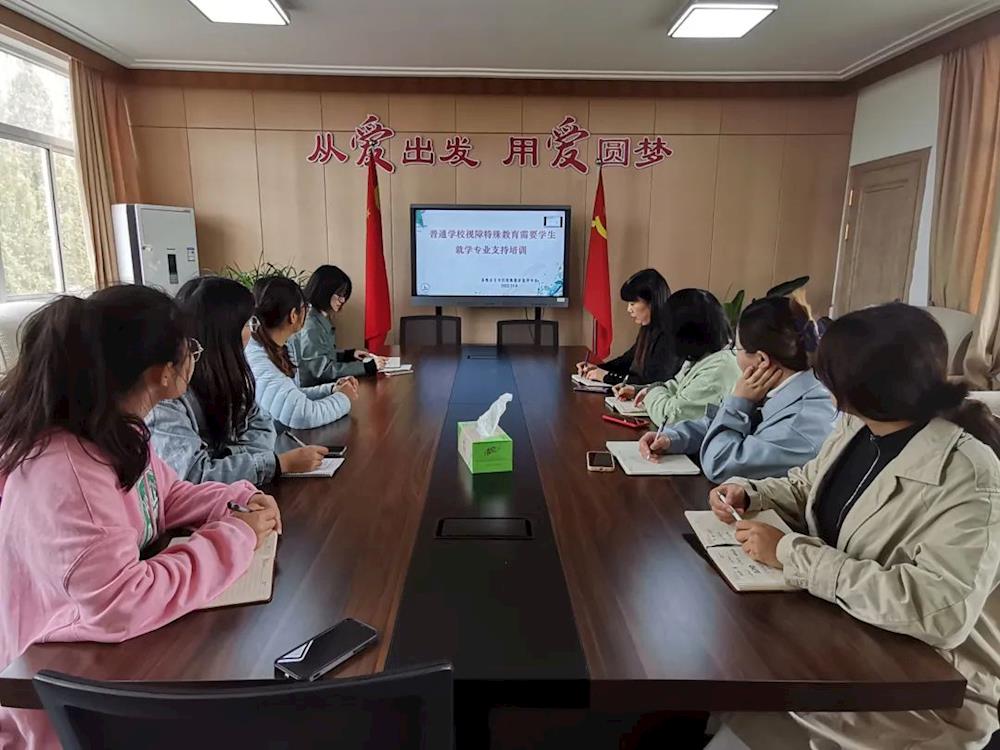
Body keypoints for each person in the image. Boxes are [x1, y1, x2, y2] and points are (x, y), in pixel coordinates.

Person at [706, 303, 1000, 750]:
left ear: (861, 387)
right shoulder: (860, 427)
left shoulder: (969, 475)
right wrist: (751, 494)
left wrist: (790, 553)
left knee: (746, 703)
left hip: (923, 689)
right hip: (844, 641)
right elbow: (809, 487)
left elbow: (939, 611)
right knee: (732, 678)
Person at [0, 286, 281, 750]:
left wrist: (235, 501)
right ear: (162, 372)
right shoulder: (67, 471)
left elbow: (164, 496)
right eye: (191, 348)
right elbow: (123, 602)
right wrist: (235, 536)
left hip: (108, 671)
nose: (196, 357)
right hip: (63, 709)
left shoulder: (115, 430)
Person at [148, 277, 328, 485]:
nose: (252, 331)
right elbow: (195, 476)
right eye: (248, 324)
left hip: (241, 493)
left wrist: (230, 460)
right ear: (224, 333)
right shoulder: (168, 394)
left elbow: (263, 425)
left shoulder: (231, 372)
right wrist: (275, 464)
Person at [639, 292, 836, 483]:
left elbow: (720, 463)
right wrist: (674, 438)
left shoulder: (801, 424)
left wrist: (738, 403)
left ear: (761, 360)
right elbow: (720, 423)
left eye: (737, 347)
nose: (733, 353)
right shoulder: (782, 388)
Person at [245, 275, 358, 430]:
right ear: (293, 315)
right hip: (273, 443)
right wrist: (343, 397)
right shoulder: (258, 359)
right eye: (305, 307)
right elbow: (302, 415)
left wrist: (331, 389)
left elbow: (292, 395)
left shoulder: (279, 346)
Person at [615, 289, 740, 426]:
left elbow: (670, 416)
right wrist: (642, 390)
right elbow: (677, 385)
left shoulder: (719, 370)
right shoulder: (704, 355)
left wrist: (652, 392)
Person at [576, 268, 678, 386]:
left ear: (652, 303)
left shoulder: (669, 335)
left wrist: (606, 376)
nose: (629, 309)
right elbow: (627, 361)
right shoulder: (648, 328)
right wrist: (597, 368)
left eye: (632, 304)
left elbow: (651, 383)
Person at [289, 265, 386, 387]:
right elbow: (323, 370)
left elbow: (322, 354)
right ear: (324, 291)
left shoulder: (318, 316)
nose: (342, 300)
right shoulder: (310, 323)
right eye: (339, 294)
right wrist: (366, 367)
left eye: (344, 295)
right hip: (314, 390)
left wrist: (348, 355)